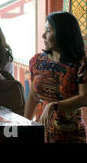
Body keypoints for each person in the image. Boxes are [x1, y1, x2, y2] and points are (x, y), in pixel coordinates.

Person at [24, 11, 86, 143]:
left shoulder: (81, 63)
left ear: (63, 33)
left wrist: (53, 105)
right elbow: (33, 96)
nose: (43, 35)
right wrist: (25, 127)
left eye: (48, 30)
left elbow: (84, 97)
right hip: (41, 133)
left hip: (71, 136)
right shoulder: (37, 61)